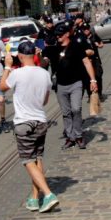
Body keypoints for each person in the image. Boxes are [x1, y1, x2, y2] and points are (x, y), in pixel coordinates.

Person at [0, 41, 59, 213]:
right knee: (37, 159)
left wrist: (7, 66)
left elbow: (2, 87)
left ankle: (48, 194)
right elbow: (45, 101)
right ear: (34, 55)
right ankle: (34, 198)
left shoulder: (17, 73)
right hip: (40, 121)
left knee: (27, 160)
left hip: (23, 122)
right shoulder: (44, 74)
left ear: (19, 56)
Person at [45, 21, 97, 150]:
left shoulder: (76, 46)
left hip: (76, 83)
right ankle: (70, 137)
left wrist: (93, 80)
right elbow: (43, 62)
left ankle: (79, 136)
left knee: (76, 109)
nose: (58, 37)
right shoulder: (53, 48)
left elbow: (86, 62)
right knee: (66, 112)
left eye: (60, 34)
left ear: (67, 34)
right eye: (56, 35)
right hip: (61, 85)